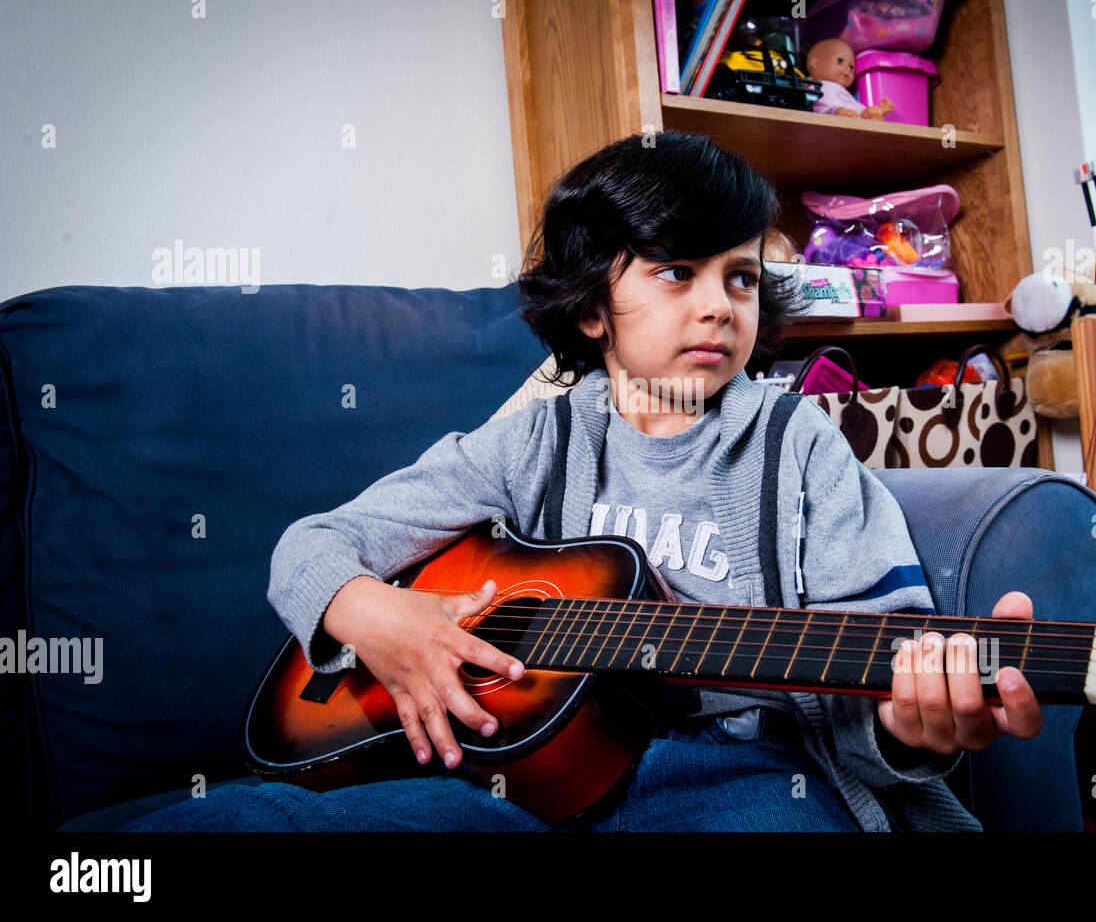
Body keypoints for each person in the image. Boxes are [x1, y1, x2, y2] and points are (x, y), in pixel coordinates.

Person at [121, 131, 1041, 833]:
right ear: (595, 308)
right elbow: (310, 546)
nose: (721, 303)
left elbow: (880, 667)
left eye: (742, 277)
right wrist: (383, 620)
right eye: (678, 271)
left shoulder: (798, 445)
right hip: (513, 780)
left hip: (745, 778)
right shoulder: (534, 442)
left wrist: (913, 723)